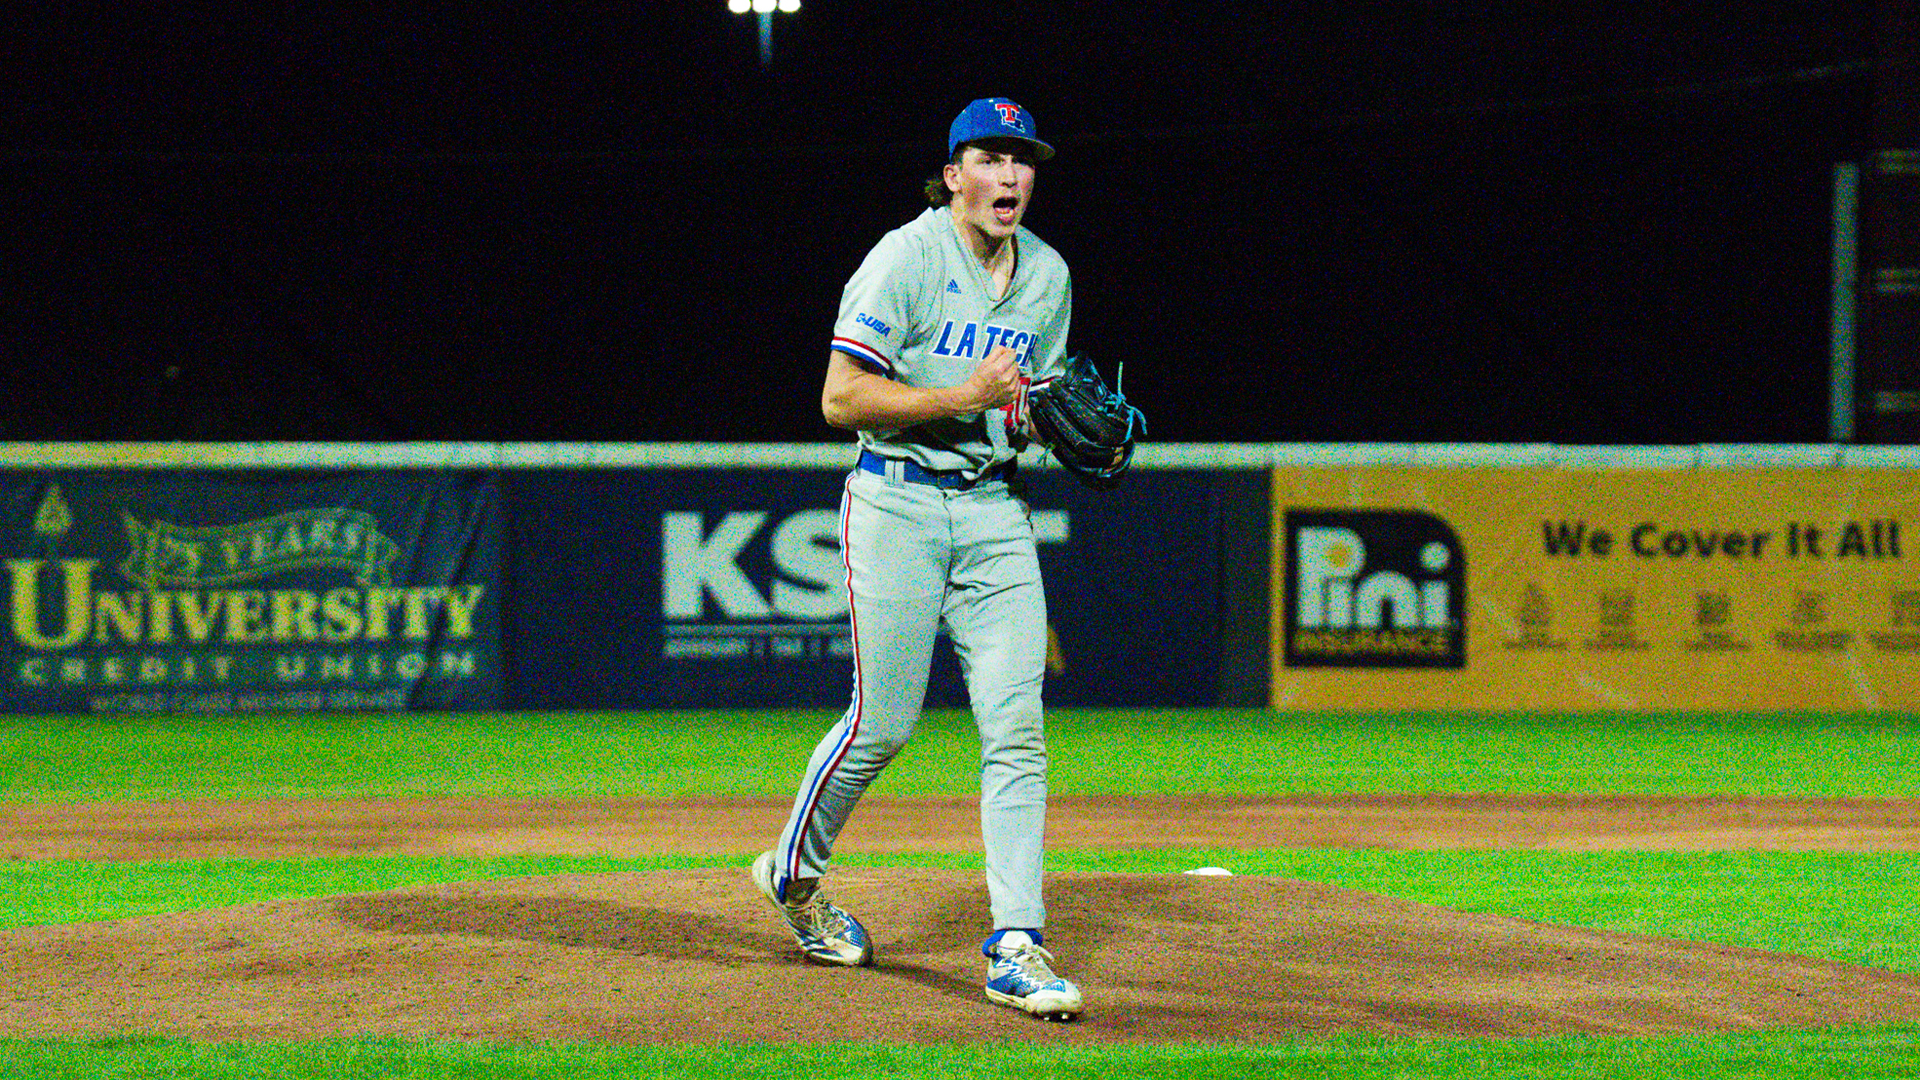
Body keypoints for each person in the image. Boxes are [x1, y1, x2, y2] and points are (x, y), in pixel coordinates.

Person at [750, 97, 1083, 1022]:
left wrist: (1040, 420)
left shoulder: (1048, 274)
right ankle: (793, 875)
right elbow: (839, 397)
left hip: (994, 509)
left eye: (1024, 160)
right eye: (991, 158)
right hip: (893, 500)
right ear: (952, 174)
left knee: (1016, 726)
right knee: (882, 724)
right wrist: (960, 395)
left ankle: (1017, 942)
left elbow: (1029, 403)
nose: (1011, 176)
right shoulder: (905, 257)